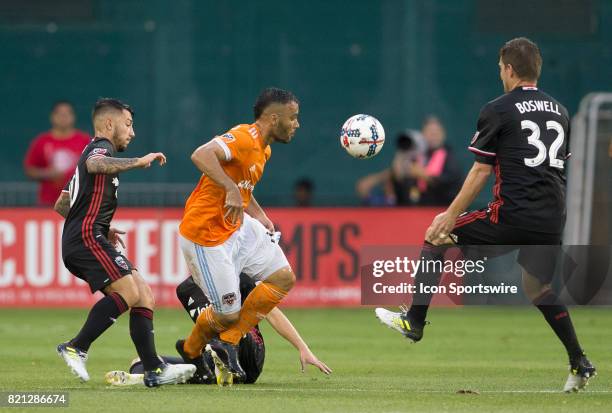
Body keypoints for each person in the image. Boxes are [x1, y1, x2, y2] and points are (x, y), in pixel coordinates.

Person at [375, 37, 596, 392]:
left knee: (436, 236)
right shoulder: (560, 110)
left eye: (499, 68)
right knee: (537, 287)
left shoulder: (499, 108)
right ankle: (579, 361)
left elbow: (480, 171)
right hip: (553, 215)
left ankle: (414, 321)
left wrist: (449, 214)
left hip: (511, 213)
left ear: (509, 69)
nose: (500, 74)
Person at [175, 87, 324, 383]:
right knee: (227, 313)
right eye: (292, 118)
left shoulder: (264, 149)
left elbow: (242, 186)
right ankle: (191, 350)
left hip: (238, 227)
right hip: (206, 236)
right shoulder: (244, 138)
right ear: (272, 118)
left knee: (283, 278)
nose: (297, 124)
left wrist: (258, 214)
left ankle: (228, 341)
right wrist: (230, 189)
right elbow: (201, 154)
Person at [53, 98, 195, 387]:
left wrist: (100, 225)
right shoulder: (99, 149)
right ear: (109, 124)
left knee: (143, 293)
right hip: (85, 239)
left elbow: (61, 203)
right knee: (129, 290)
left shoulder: (87, 153)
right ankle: (76, 346)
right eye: (128, 125)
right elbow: (95, 165)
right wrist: (138, 161)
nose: (132, 132)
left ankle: (154, 369)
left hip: (89, 235)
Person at [104, 275, 331, 386]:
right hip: (218, 358)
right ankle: (157, 374)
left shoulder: (240, 278)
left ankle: (218, 355)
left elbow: (272, 312)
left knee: (221, 317)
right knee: (139, 361)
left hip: (248, 356)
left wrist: (303, 348)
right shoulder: (195, 284)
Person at [24, 101, 90, 206]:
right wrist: (47, 173)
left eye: (67, 114)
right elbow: (30, 170)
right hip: (48, 203)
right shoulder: (42, 141)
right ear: (52, 117)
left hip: (79, 202)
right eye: (60, 114)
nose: (63, 117)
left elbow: (95, 166)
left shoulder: (84, 140)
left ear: (73, 117)